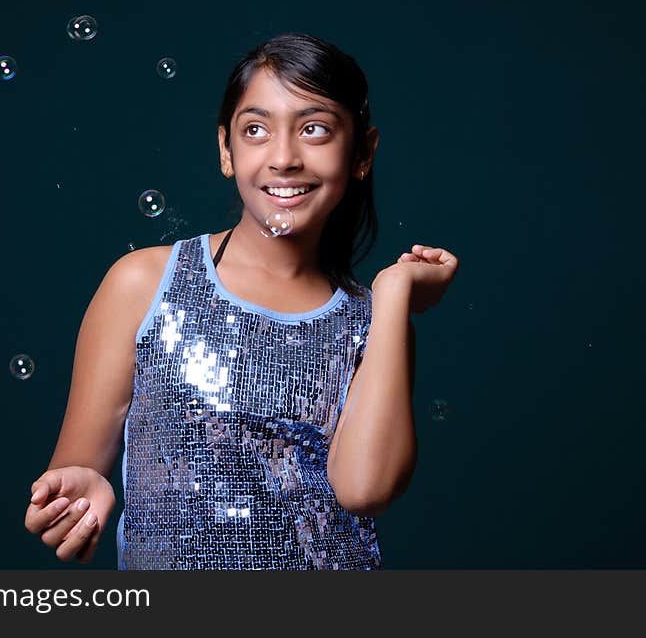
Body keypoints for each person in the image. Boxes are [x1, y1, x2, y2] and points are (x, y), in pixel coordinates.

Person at [24, 32, 459, 569]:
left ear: (363, 153)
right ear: (226, 151)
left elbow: (365, 490)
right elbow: (79, 465)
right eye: (256, 130)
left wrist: (392, 294)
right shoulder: (144, 284)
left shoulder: (375, 323)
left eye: (315, 129)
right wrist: (80, 490)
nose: (283, 158)